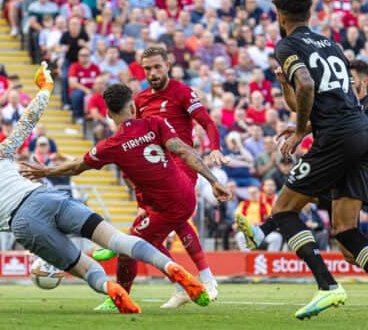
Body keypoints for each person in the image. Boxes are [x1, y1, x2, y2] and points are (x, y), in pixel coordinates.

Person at [0, 63, 212, 314]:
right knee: (117, 238)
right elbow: (25, 124)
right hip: (43, 196)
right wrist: (44, 91)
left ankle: (113, 290)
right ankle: (171, 267)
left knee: (83, 266)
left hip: (25, 224)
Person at [20, 83, 231, 310]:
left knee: (127, 249)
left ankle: (120, 298)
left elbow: (77, 167)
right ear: (132, 107)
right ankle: (183, 286)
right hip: (183, 195)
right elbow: (184, 151)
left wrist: (46, 171)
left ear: (109, 114)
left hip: (168, 207)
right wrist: (214, 181)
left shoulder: (111, 145)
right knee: (143, 235)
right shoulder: (156, 123)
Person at [237, 0, 368, 319]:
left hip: (336, 137)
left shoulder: (288, 44)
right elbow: (319, 98)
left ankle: (327, 286)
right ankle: (260, 234)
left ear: (280, 16)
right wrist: (286, 87)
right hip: (359, 132)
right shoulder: (332, 46)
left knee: (283, 210)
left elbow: (307, 87)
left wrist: (298, 132)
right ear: (309, 13)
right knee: (346, 231)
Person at [90, 46, 229, 310]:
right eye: (148, 69)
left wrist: (215, 148)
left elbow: (207, 123)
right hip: (156, 169)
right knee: (157, 228)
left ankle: (206, 278)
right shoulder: (140, 100)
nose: (153, 73)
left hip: (182, 165)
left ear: (168, 65)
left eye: (157, 67)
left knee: (172, 218)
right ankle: (179, 286)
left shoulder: (182, 92)